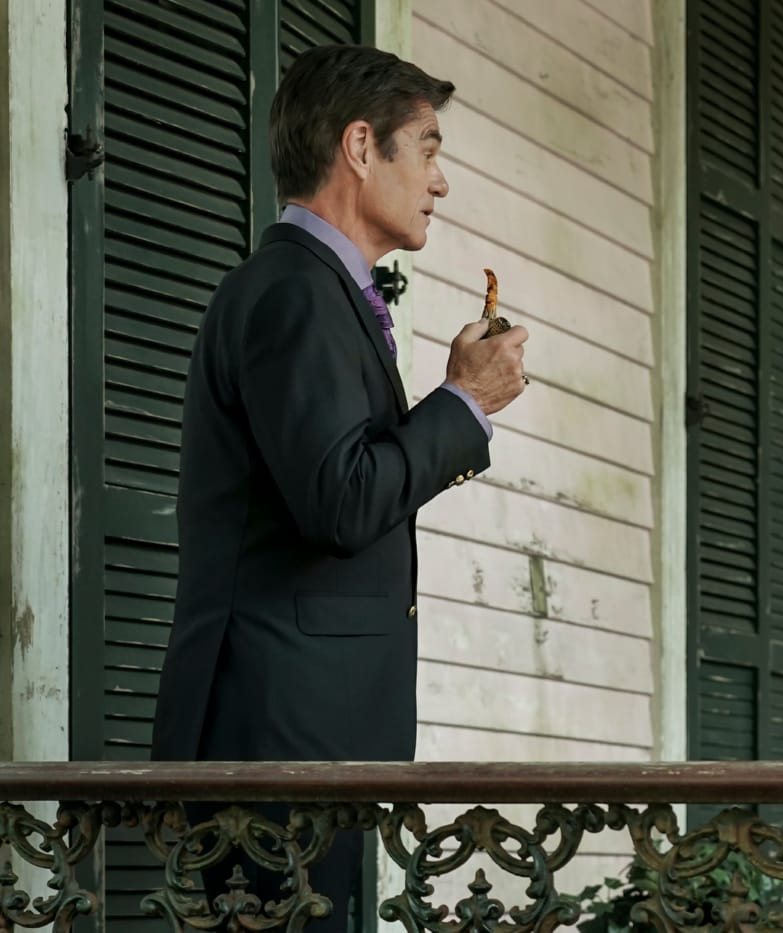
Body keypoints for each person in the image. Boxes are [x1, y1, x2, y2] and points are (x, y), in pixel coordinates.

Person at [150, 44, 529, 928]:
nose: (440, 181)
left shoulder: (312, 289)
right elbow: (344, 499)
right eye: (427, 150)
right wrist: (464, 402)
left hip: (306, 739)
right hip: (275, 746)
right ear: (361, 147)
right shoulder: (295, 292)